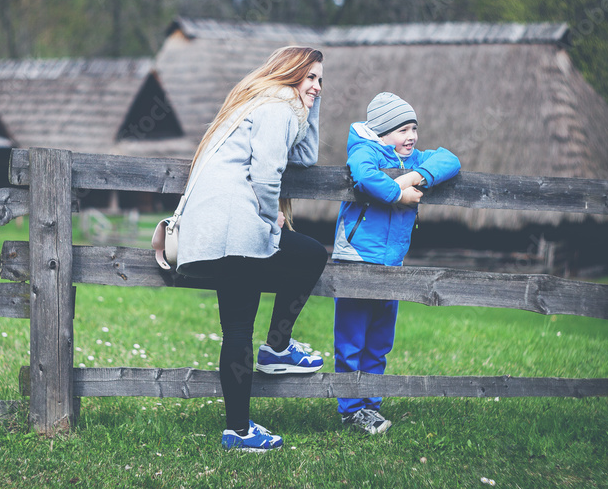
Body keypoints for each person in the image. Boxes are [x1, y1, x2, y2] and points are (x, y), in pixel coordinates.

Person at [176, 46, 329, 452]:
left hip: (215, 229)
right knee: (312, 255)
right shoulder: (277, 108)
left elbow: (307, 158)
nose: (316, 86)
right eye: (310, 76)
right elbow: (265, 174)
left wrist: (310, 107)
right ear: (289, 72)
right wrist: (269, 217)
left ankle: (238, 430)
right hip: (236, 224)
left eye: (320, 79)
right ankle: (277, 347)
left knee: (237, 329)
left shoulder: (263, 104)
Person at [331, 92, 460, 434]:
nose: (411, 136)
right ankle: (351, 409)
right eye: (403, 129)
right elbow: (364, 175)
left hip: (394, 263)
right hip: (358, 258)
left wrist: (416, 177)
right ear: (384, 132)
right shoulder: (365, 150)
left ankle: (371, 405)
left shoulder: (413, 159)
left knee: (379, 340)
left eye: (414, 128)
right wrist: (397, 193)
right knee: (351, 339)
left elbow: (450, 159)